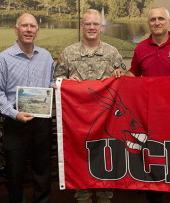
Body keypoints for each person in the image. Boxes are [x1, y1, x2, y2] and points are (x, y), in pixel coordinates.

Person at [112, 7, 170, 203]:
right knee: (152, 160)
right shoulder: (141, 47)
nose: (156, 22)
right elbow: (133, 73)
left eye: (161, 19)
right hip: (150, 116)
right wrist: (120, 75)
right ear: (148, 23)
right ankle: (154, 197)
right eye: (152, 20)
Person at [54, 9, 126, 203]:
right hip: (78, 122)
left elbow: (124, 81)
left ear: (101, 27)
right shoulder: (68, 53)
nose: (91, 27)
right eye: (88, 24)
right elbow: (56, 81)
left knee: (106, 158)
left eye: (95, 24)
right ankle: (82, 196)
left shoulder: (112, 53)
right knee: (80, 159)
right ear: (82, 26)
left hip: (106, 122)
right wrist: (67, 81)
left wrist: (120, 74)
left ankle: (105, 196)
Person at [0, 13, 55, 202]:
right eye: (24, 26)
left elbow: (50, 81)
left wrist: (58, 84)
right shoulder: (3, 59)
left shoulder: (45, 56)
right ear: (16, 30)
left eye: (32, 26)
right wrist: (14, 114)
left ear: (37, 31)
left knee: (42, 170)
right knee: (15, 173)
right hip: (15, 123)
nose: (28, 30)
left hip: (41, 122)